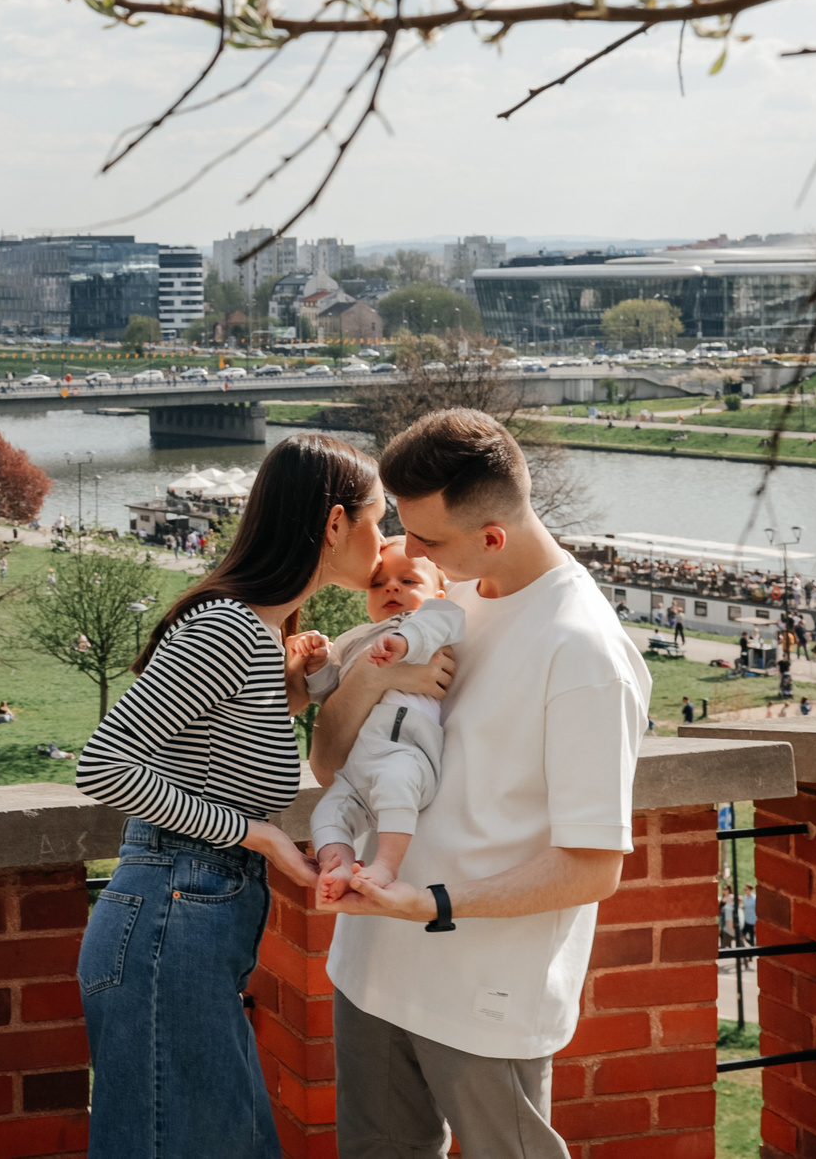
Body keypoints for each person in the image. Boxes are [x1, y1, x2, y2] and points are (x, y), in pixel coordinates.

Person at [76, 434, 453, 1158]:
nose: (385, 545)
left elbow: (221, 743)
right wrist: (263, 836)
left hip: (192, 917)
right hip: (170, 914)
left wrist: (311, 685)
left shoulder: (260, 630)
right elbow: (105, 764)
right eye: (377, 521)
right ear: (336, 524)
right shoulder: (227, 627)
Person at [310, 409, 649, 1159]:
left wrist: (429, 902)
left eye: (425, 541)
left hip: (484, 998)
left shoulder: (585, 652)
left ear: (490, 536)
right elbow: (333, 765)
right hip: (371, 967)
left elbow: (594, 866)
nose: (404, 553)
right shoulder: (442, 606)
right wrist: (369, 672)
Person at [309, 554, 468, 897]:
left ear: (438, 594)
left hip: (404, 751)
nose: (392, 587)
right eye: (378, 584)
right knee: (328, 811)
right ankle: (337, 863)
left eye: (408, 581)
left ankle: (386, 865)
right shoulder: (353, 639)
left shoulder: (431, 616)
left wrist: (405, 642)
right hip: (356, 765)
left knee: (396, 785)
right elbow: (329, 695)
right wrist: (316, 665)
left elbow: (440, 623)